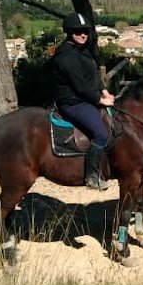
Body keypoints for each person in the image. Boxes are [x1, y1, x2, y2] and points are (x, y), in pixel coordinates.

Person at [52, 12, 115, 190]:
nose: (83, 35)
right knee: (101, 134)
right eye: (78, 31)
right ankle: (92, 175)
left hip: (86, 98)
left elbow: (94, 74)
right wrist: (100, 100)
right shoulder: (66, 56)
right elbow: (80, 86)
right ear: (69, 32)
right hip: (73, 102)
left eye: (85, 32)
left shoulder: (82, 50)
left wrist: (104, 91)